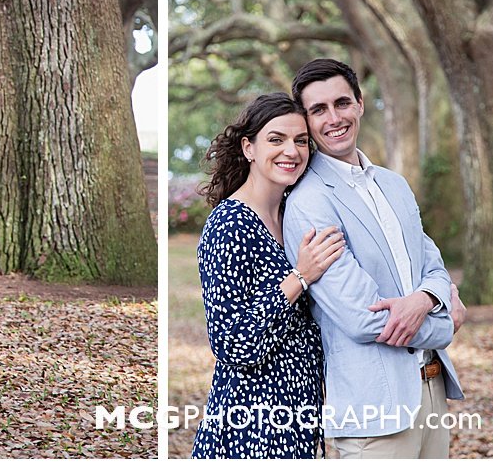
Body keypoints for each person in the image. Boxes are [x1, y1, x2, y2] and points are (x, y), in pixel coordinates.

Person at [284, 58, 466, 457]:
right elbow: (362, 317)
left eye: (342, 103)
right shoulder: (310, 202)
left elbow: (433, 266)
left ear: (360, 103)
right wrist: (443, 326)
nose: (334, 118)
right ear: (307, 121)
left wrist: (425, 299)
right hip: (374, 407)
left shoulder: (394, 184)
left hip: (432, 392)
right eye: (318, 110)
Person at [191, 94, 346, 458]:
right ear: (249, 148)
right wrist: (299, 278)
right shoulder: (230, 224)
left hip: (299, 416)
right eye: (276, 139)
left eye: (301, 141)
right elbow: (231, 345)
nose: (291, 151)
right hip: (253, 425)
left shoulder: (294, 217)